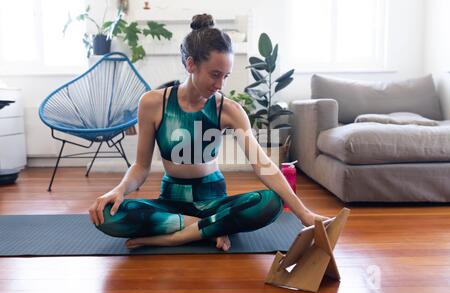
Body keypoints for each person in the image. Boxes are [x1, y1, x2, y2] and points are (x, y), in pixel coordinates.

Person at [88, 14, 329, 251]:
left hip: (214, 201)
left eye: (225, 76)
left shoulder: (230, 110)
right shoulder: (152, 104)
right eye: (215, 75)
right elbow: (140, 167)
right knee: (106, 215)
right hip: (172, 202)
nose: (220, 85)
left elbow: (262, 165)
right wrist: (118, 190)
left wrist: (303, 213)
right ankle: (208, 228)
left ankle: (174, 237)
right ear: (191, 64)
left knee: (270, 204)